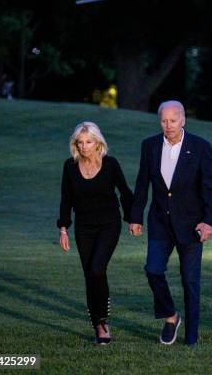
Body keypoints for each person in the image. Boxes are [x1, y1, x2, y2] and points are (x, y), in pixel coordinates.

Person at [129, 100, 212, 346]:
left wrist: (208, 221)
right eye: (163, 120)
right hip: (159, 222)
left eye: (173, 120)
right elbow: (141, 183)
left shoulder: (200, 147)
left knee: (190, 281)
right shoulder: (149, 146)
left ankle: (191, 338)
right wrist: (135, 217)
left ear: (183, 121)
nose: (168, 125)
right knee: (153, 270)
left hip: (192, 225)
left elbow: (210, 188)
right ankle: (171, 317)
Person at [57, 121, 133, 344]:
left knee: (97, 268)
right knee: (90, 274)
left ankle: (102, 319)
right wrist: (63, 229)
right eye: (80, 142)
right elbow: (66, 199)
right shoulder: (69, 166)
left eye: (88, 142)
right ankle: (98, 325)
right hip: (83, 227)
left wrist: (133, 219)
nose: (84, 146)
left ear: (98, 142)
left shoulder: (110, 164)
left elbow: (126, 193)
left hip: (109, 224)